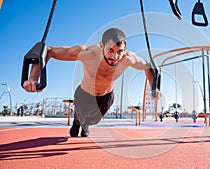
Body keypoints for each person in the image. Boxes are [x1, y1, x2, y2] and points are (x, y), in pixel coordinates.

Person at [23, 28, 161, 137]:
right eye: (110, 50)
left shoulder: (128, 58)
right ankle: (77, 123)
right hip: (84, 93)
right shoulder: (88, 53)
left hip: (106, 95)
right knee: (81, 118)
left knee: (94, 121)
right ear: (101, 45)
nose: (115, 56)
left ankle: (85, 125)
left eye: (120, 51)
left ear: (125, 50)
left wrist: (154, 89)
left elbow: (148, 67)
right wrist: (33, 78)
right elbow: (49, 51)